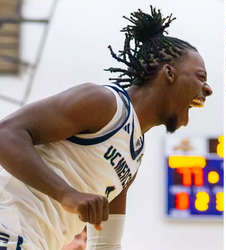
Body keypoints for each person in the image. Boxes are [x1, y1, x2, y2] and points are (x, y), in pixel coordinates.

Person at [0, 7, 212, 249]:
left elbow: (105, 242)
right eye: (200, 77)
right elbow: (6, 134)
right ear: (169, 73)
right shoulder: (103, 102)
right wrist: (67, 194)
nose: (207, 89)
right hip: (8, 227)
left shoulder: (134, 155)